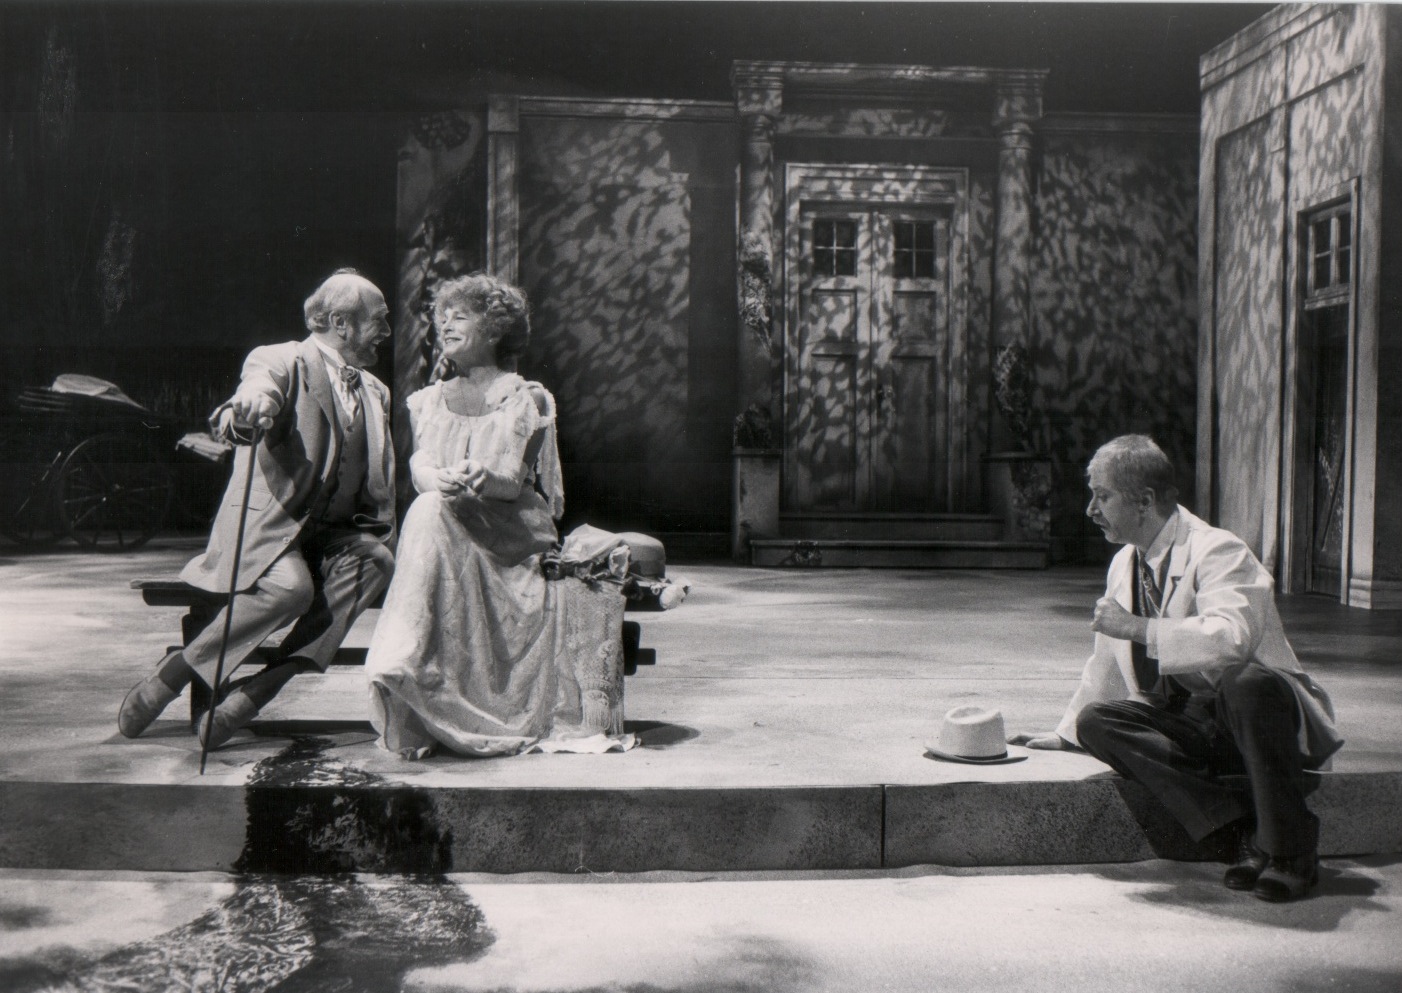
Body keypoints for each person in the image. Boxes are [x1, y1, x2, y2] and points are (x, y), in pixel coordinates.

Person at [1010, 435, 1341, 902]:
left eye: (1102, 496)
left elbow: (1233, 639)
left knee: (1245, 681)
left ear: (1144, 501)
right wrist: (1067, 734)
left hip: (1256, 718)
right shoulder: (1125, 561)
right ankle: (1241, 829)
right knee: (1098, 721)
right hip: (1195, 722)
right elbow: (1106, 662)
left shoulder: (1219, 549)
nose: (1090, 509)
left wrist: (1138, 627)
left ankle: (1292, 851)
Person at [119, 269, 396, 748]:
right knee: (292, 589)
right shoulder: (281, 359)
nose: (387, 332)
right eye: (380, 320)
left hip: (331, 533)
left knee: (378, 561)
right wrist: (247, 409)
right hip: (270, 528)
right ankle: (174, 673)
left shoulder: (376, 391)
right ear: (340, 323)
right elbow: (253, 394)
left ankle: (259, 690)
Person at [364, 273, 630, 759]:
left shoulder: (527, 398)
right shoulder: (429, 400)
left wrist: (483, 477)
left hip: (507, 540)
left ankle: (403, 656)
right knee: (429, 505)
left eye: (460, 316)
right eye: (443, 317)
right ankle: (407, 661)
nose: (446, 324)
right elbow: (422, 463)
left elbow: (513, 482)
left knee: (430, 510)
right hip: (448, 530)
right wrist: (432, 476)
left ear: (493, 329)